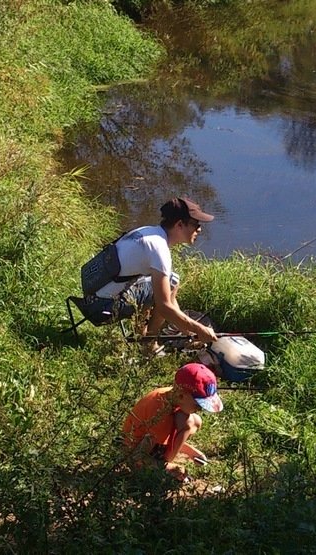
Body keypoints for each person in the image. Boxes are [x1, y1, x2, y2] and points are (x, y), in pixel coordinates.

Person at [90, 197, 218, 353]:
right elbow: (165, 307)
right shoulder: (159, 250)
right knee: (170, 283)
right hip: (103, 308)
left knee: (167, 282)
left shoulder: (147, 232)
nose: (199, 229)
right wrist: (198, 329)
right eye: (195, 224)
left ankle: (141, 334)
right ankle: (149, 345)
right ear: (179, 225)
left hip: (91, 299)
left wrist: (188, 330)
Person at [122, 362, 223, 481]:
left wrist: (191, 452)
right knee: (189, 424)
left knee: (194, 420)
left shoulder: (170, 394)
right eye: (197, 405)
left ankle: (166, 458)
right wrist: (169, 466)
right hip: (132, 451)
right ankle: (165, 463)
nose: (200, 409)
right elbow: (138, 457)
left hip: (148, 441)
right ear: (181, 396)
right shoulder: (160, 416)